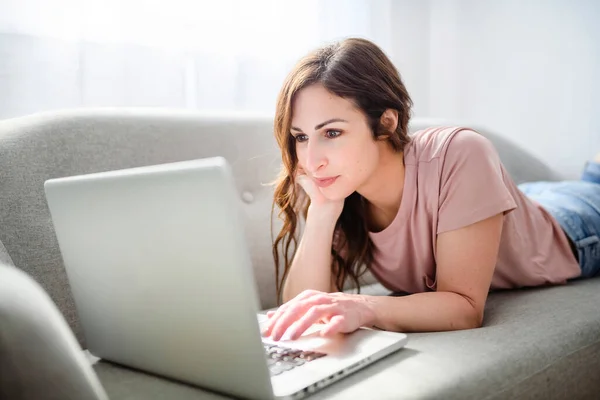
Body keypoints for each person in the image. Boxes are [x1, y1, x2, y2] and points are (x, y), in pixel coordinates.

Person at [262, 37, 600, 341]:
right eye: (301, 137)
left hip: (575, 225)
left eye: (332, 133)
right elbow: (300, 311)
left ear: (386, 122)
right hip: (522, 202)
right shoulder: (342, 190)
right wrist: (322, 214)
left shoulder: (461, 151)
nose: (311, 159)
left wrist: (365, 305)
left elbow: (464, 308)